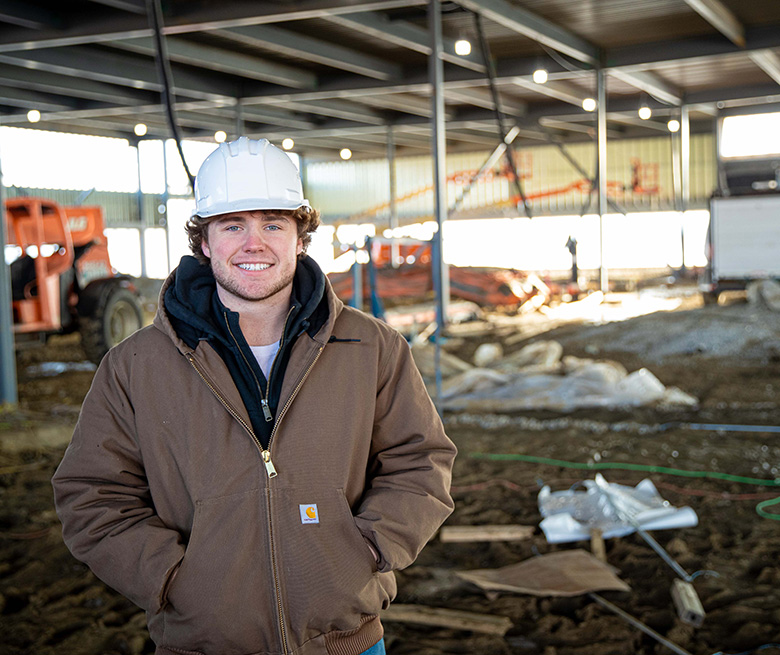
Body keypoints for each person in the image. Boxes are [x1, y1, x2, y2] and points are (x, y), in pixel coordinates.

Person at [52, 137, 457, 655]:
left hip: (344, 642)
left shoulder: (371, 348)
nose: (254, 243)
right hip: (200, 643)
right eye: (232, 225)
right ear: (203, 241)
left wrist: (367, 548)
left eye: (272, 224)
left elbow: (421, 461)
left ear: (300, 237)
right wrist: (176, 579)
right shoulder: (135, 367)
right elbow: (92, 496)